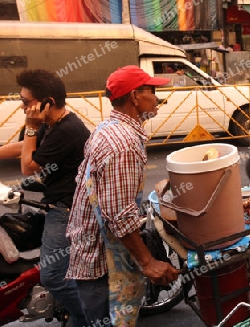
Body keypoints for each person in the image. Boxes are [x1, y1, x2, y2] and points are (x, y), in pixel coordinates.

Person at [66, 65, 179, 326]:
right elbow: (118, 214)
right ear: (135, 97)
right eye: (152, 91)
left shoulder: (108, 128)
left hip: (91, 248)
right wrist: (148, 262)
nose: (157, 98)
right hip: (100, 262)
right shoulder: (124, 145)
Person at [0, 69, 90, 326]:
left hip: (65, 210)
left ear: (47, 102)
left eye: (25, 102)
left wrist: (30, 127)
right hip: (55, 201)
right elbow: (24, 147)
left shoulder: (66, 130)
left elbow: (28, 166)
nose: (22, 107)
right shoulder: (54, 125)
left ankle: (88, 319)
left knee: (52, 276)